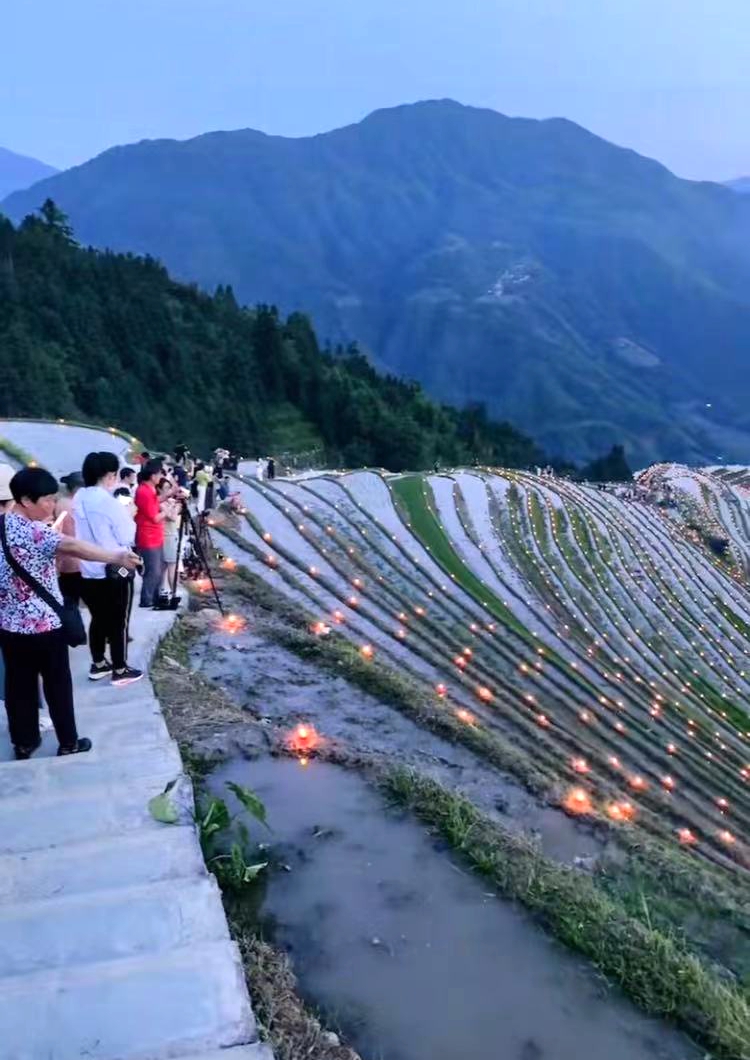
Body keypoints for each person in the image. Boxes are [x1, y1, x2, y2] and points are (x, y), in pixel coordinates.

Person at [0, 466, 140, 760]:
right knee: (57, 686)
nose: (53, 505)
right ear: (25, 500)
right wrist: (115, 555)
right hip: (46, 627)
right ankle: (68, 742)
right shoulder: (37, 532)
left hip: (10, 628)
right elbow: (73, 546)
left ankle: (24, 743)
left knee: (18, 688)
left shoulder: (3, 526)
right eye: (48, 500)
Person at [75, 452, 143, 686]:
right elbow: (127, 535)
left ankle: (99, 663)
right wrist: (130, 515)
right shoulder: (109, 503)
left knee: (98, 618)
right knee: (119, 621)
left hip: (87, 568)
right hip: (115, 567)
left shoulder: (79, 497)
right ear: (110, 475)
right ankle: (121, 668)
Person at [134, 457, 166, 607]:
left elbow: (154, 504)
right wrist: (171, 510)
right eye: (160, 474)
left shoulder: (149, 490)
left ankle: (155, 597)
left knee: (159, 569)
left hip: (155, 536)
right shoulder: (144, 492)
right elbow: (154, 517)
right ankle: (146, 600)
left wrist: (169, 495)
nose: (161, 478)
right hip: (148, 537)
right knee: (153, 571)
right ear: (153, 476)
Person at [55, 471, 84, 607]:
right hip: (78, 559)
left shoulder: (59, 503)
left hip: (63, 559)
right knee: (73, 602)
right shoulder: (77, 505)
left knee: (67, 599)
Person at [158, 477, 181, 598]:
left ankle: (162, 590)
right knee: (171, 565)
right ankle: (174, 591)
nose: (169, 491)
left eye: (169, 488)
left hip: (171, 535)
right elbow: (172, 517)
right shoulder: (160, 503)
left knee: (166, 566)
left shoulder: (168, 502)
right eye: (166, 488)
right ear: (159, 489)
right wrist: (177, 506)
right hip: (167, 537)